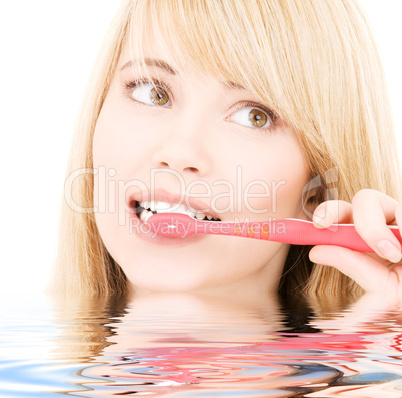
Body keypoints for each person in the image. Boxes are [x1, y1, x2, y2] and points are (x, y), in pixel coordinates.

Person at [52, 0, 402, 303]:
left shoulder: (373, 376)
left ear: (319, 185)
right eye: (152, 92)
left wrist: (386, 333)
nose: (180, 152)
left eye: (254, 116)